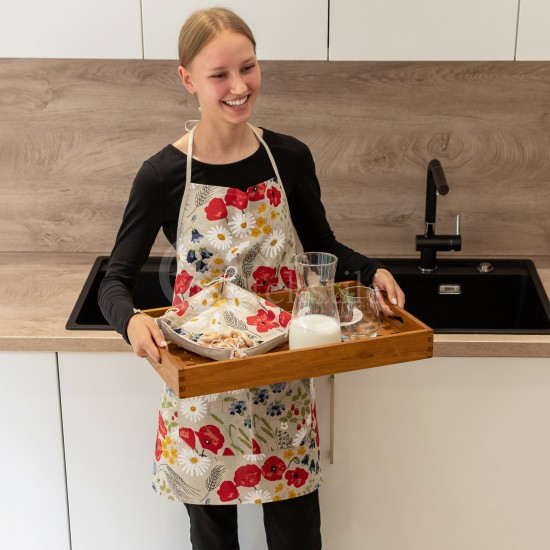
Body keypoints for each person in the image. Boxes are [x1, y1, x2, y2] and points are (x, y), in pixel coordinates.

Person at [99, 7, 405, 550]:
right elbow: (115, 279)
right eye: (219, 74)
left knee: (296, 540)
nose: (239, 86)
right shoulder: (163, 175)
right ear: (187, 79)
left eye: (249, 67)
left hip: (282, 382)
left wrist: (371, 270)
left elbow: (321, 247)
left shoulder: (288, 157)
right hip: (202, 391)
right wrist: (131, 326)